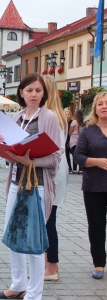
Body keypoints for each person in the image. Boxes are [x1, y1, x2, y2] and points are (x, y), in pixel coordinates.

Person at [0, 73, 61, 300]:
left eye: (38, 91)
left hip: (38, 186)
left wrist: (31, 162)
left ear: (44, 94)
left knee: (33, 240)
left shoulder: (48, 117)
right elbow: (13, 154)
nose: (34, 94)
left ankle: (34, 293)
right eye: (29, 90)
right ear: (21, 92)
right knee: (11, 233)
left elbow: (55, 158)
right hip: (15, 183)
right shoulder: (18, 117)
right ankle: (19, 283)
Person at [74, 91, 107, 280]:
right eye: (100, 103)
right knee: (96, 225)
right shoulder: (87, 131)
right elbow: (78, 156)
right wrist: (97, 162)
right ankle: (99, 263)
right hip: (93, 186)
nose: (104, 106)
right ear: (95, 109)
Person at [43, 75, 69, 282]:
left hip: (52, 171)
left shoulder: (51, 115)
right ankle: (48, 264)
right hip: (54, 169)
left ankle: (52, 267)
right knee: (47, 219)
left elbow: (54, 148)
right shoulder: (56, 114)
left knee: (48, 220)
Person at [69, 109, 84, 174]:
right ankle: (80, 169)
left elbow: (70, 131)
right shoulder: (83, 122)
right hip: (81, 140)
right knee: (80, 154)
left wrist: (70, 136)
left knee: (74, 155)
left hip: (74, 141)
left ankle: (74, 169)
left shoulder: (74, 122)